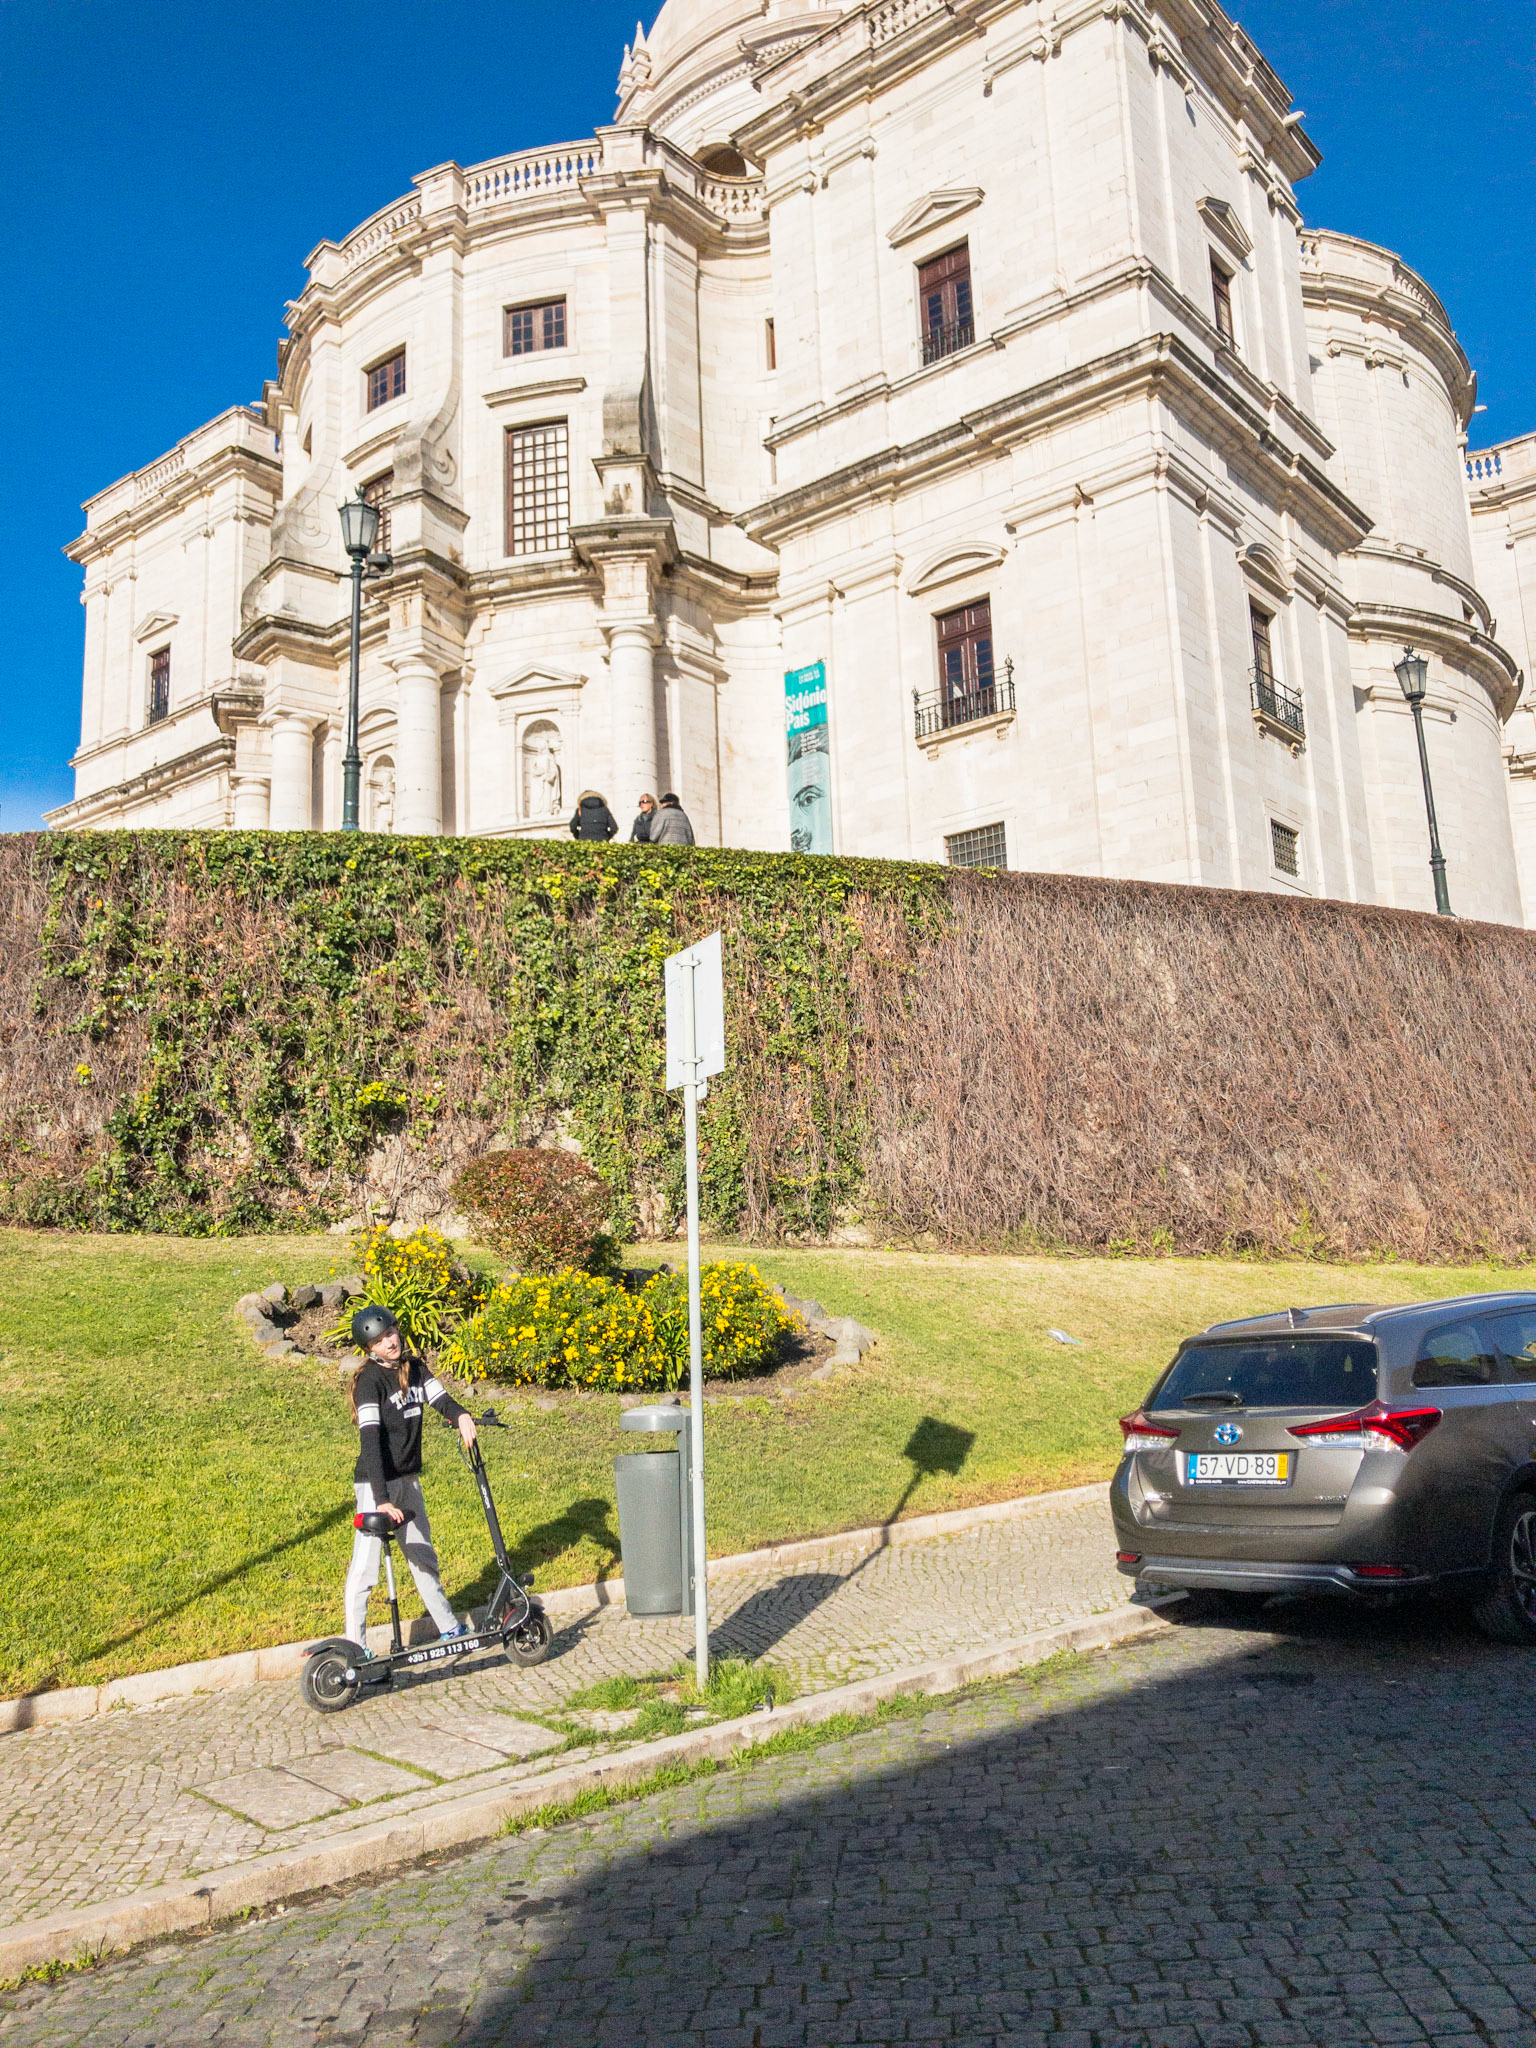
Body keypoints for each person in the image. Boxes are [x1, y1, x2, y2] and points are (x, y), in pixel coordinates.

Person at [343, 1305, 476, 1649]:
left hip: (408, 1480)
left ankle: (449, 1627)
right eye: (380, 1340)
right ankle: (355, 1646)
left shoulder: (414, 1369)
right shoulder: (370, 1382)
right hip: (376, 1484)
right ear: (370, 1348)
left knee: (422, 1555)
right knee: (366, 1568)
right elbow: (370, 1441)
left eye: (391, 1333)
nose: (390, 1342)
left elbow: (442, 1400)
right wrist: (382, 1500)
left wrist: (461, 1415)